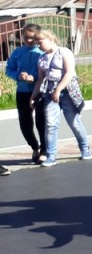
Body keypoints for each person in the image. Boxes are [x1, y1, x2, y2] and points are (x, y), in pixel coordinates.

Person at [31, 29, 91, 167]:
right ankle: (51, 155)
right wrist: (34, 95)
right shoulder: (42, 58)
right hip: (49, 93)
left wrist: (58, 90)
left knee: (74, 122)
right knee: (51, 124)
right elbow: (41, 79)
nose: (38, 46)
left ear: (50, 39)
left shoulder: (64, 52)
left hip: (66, 91)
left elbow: (69, 73)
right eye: (36, 44)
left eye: (40, 42)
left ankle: (85, 148)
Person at [5, 23, 46, 163]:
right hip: (22, 91)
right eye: (26, 37)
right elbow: (9, 69)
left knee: (42, 122)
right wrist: (18, 76)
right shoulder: (18, 52)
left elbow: (47, 70)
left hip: (40, 91)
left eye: (32, 38)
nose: (28, 40)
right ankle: (34, 146)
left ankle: (44, 150)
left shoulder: (41, 52)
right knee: (25, 123)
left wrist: (34, 77)